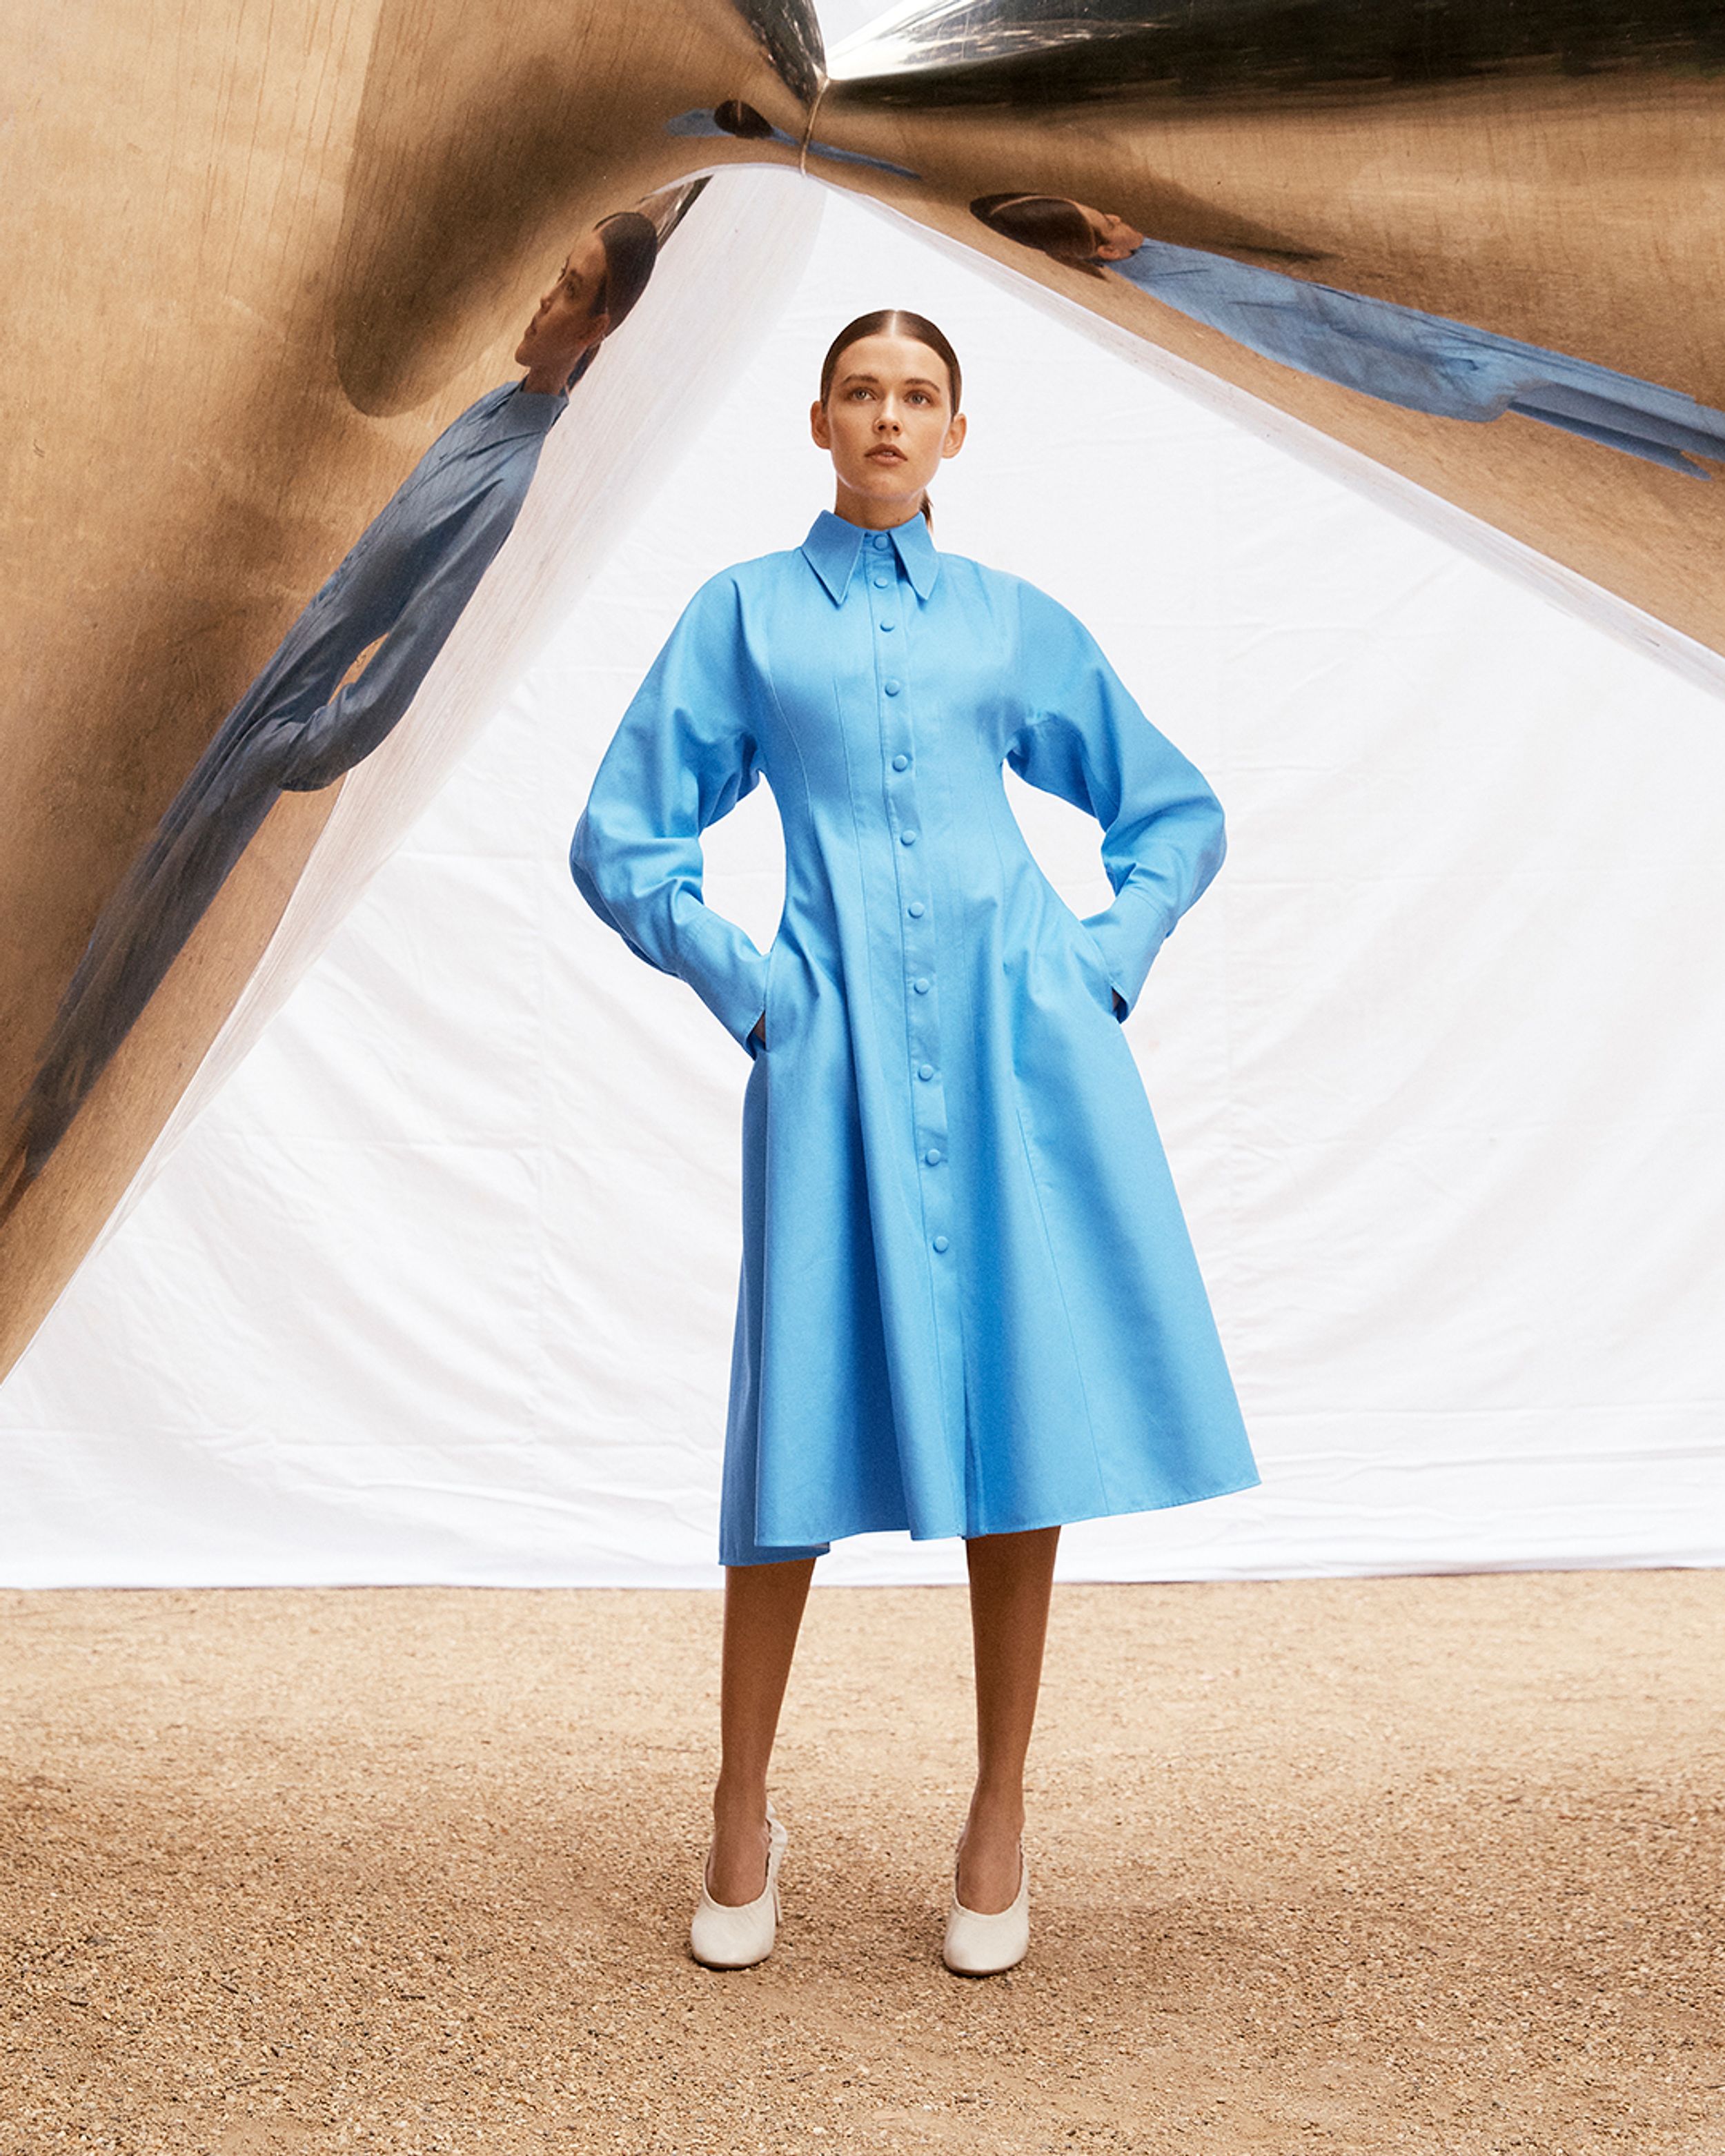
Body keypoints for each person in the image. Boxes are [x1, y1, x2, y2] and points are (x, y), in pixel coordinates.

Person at [569, 308, 1259, 1977]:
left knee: (1021, 1408)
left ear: (958, 432)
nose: (890, 418)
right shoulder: (739, 616)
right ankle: (741, 1802)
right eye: (864, 393)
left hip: (1018, 1054)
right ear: (818, 421)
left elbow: (1176, 811)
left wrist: (1098, 956)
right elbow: (619, 839)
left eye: (920, 396)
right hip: (836, 1053)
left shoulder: (1012, 627)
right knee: (791, 1416)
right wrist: (755, 990)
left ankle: (999, 1807)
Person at [7, 212, 660, 1198]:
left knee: (155, 919)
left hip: (288, 716)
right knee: (140, 889)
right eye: (555, 273)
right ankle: (29, 1108)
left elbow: (404, 666)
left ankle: (31, 1151)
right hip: (279, 681)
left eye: (569, 289)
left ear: (598, 327)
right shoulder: (493, 409)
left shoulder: (511, 476)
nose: (543, 296)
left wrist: (293, 750)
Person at [971, 192, 1725, 477]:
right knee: (1602, 403)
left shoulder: (1159, 255)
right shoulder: (1178, 287)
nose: (1121, 217)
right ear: (1101, 253)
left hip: (1443, 338)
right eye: (1107, 225)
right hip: (1456, 367)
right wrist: (1471, 388)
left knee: (1614, 395)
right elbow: (1318, 351)